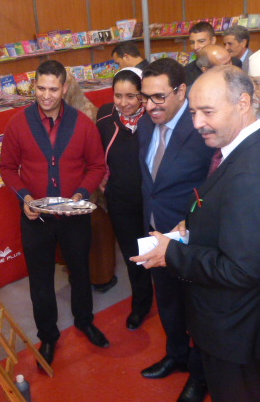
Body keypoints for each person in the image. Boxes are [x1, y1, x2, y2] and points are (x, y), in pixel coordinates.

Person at [132, 65, 260, 402]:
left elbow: (240, 269)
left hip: (235, 326)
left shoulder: (251, 172)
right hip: (229, 320)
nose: (197, 123)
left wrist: (172, 252)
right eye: (193, 113)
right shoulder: (244, 152)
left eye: (208, 112)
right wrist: (192, 227)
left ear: (243, 103)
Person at [0, 59, 109, 368]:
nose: (46, 96)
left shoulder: (83, 123)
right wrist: (25, 197)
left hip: (75, 215)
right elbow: (7, 167)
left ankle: (85, 321)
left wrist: (81, 194)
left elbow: (97, 166)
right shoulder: (18, 124)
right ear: (33, 87)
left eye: (53, 89)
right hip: (36, 217)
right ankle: (47, 336)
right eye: (41, 88)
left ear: (65, 88)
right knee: (40, 280)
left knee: (81, 271)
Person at [137, 57, 214, 402]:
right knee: (167, 301)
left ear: (181, 91)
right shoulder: (145, 125)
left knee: (197, 310)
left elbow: (213, 185)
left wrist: (192, 225)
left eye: (159, 97)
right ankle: (176, 355)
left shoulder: (201, 128)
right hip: (155, 232)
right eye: (145, 97)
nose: (150, 106)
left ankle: (200, 375)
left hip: (190, 238)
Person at [96, 67, 153, 330]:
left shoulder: (154, 117)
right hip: (120, 201)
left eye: (131, 96)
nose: (123, 103)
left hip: (153, 201)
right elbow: (96, 154)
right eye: (118, 95)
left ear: (142, 95)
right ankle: (141, 304)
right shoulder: (104, 117)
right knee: (133, 255)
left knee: (162, 252)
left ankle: (173, 302)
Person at [63, 73, 118, 293]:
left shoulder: (89, 114)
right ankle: (79, 272)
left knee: (95, 232)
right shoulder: (55, 113)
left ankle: (100, 276)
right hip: (69, 186)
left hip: (90, 185)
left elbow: (99, 157)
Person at [185, 22, 241, 86]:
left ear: (213, 40)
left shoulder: (235, 63)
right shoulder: (187, 71)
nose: (195, 47)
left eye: (201, 41)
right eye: (192, 42)